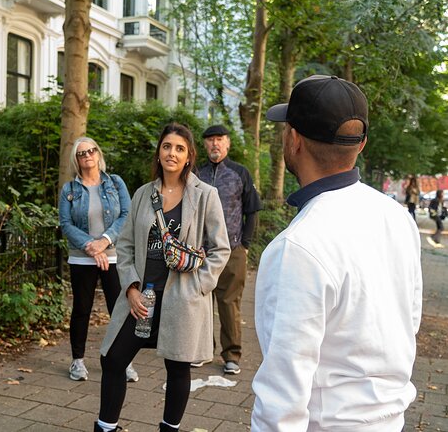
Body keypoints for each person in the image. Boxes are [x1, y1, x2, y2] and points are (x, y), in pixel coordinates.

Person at [253, 75, 423, 431]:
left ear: (294, 140)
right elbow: (410, 319)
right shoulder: (396, 216)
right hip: (389, 420)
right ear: (360, 145)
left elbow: (282, 395)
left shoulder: (297, 246)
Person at [94, 123, 230, 432]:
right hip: (142, 296)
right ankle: (105, 427)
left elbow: (221, 249)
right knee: (113, 359)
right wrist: (129, 286)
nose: (172, 153)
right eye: (167, 146)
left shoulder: (206, 195)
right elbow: (125, 244)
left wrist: (197, 287)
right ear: (159, 151)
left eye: (179, 148)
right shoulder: (144, 193)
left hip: (181, 297)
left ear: (188, 156)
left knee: (178, 368)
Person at [58, 137, 138, 382]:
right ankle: (78, 362)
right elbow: (66, 224)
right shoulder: (69, 190)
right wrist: (91, 248)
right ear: (77, 160)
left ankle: (123, 361)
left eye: (91, 150)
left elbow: (127, 214)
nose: (87, 155)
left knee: (120, 309)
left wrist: (104, 241)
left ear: (98, 153)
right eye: (82, 153)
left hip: (114, 257)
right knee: (82, 309)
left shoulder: (115, 183)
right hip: (82, 260)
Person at [196, 124, 262, 374]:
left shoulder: (239, 173)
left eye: (219, 139)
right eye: (210, 140)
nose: (215, 144)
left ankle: (232, 354)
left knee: (229, 302)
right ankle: (202, 350)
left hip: (233, 248)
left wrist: (245, 244)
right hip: (200, 250)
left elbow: (252, 210)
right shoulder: (196, 174)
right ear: (205, 145)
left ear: (228, 143)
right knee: (201, 300)